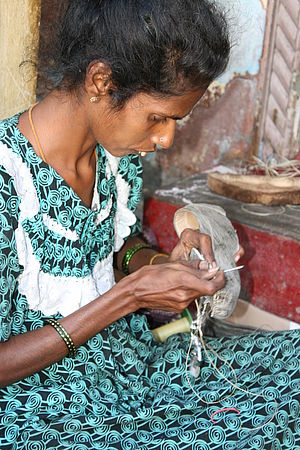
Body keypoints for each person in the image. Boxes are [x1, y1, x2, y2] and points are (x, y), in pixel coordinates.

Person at [0, 1, 298, 449]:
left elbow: (121, 249)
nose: (165, 139)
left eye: (176, 121)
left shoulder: (115, 158)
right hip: (46, 402)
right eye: (158, 117)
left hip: (127, 367)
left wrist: (164, 261)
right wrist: (131, 296)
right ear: (101, 81)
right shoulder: (8, 180)